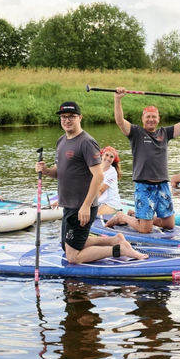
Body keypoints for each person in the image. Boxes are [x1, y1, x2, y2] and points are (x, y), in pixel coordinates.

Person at [35, 101, 147, 263]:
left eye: (71, 117)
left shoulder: (86, 142)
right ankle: (115, 240)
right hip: (69, 205)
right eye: (63, 117)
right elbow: (59, 171)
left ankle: (119, 249)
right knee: (66, 246)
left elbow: (98, 176)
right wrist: (45, 171)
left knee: (73, 257)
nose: (67, 120)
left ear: (79, 117)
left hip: (81, 206)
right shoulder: (61, 141)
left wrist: (86, 206)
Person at [105, 87, 180, 233]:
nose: (151, 119)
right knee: (145, 230)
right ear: (143, 119)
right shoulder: (136, 133)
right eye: (148, 117)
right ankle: (122, 216)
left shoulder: (165, 133)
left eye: (154, 117)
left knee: (169, 224)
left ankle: (135, 215)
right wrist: (117, 99)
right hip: (144, 185)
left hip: (162, 185)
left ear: (158, 119)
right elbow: (120, 121)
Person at [97, 146, 123, 215]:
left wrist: (88, 204)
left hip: (110, 203)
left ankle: (121, 216)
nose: (108, 158)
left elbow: (100, 191)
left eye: (111, 157)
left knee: (95, 214)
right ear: (102, 155)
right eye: (107, 155)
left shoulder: (112, 173)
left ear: (113, 160)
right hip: (99, 201)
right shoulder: (96, 168)